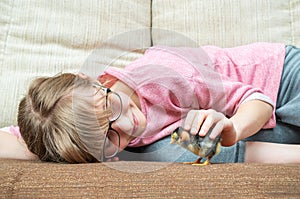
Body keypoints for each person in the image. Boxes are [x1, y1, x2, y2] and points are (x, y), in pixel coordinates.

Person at [0, 42, 299, 164]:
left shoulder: (166, 76)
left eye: (111, 108)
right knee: (178, 152)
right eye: (108, 137)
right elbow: (18, 137)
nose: (131, 125)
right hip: (257, 131)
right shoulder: (64, 122)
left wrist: (232, 128)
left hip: (280, 81)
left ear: (98, 82)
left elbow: (256, 100)